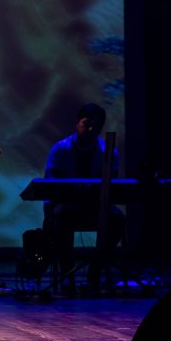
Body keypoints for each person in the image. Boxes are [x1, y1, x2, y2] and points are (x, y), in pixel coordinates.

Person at [43, 103, 125, 295]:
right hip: (67, 208)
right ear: (77, 122)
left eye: (96, 126)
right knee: (61, 218)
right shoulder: (60, 149)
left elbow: (113, 186)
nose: (90, 129)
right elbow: (50, 185)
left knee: (117, 219)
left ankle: (94, 272)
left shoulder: (108, 152)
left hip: (96, 207)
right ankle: (67, 275)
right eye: (86, 123)